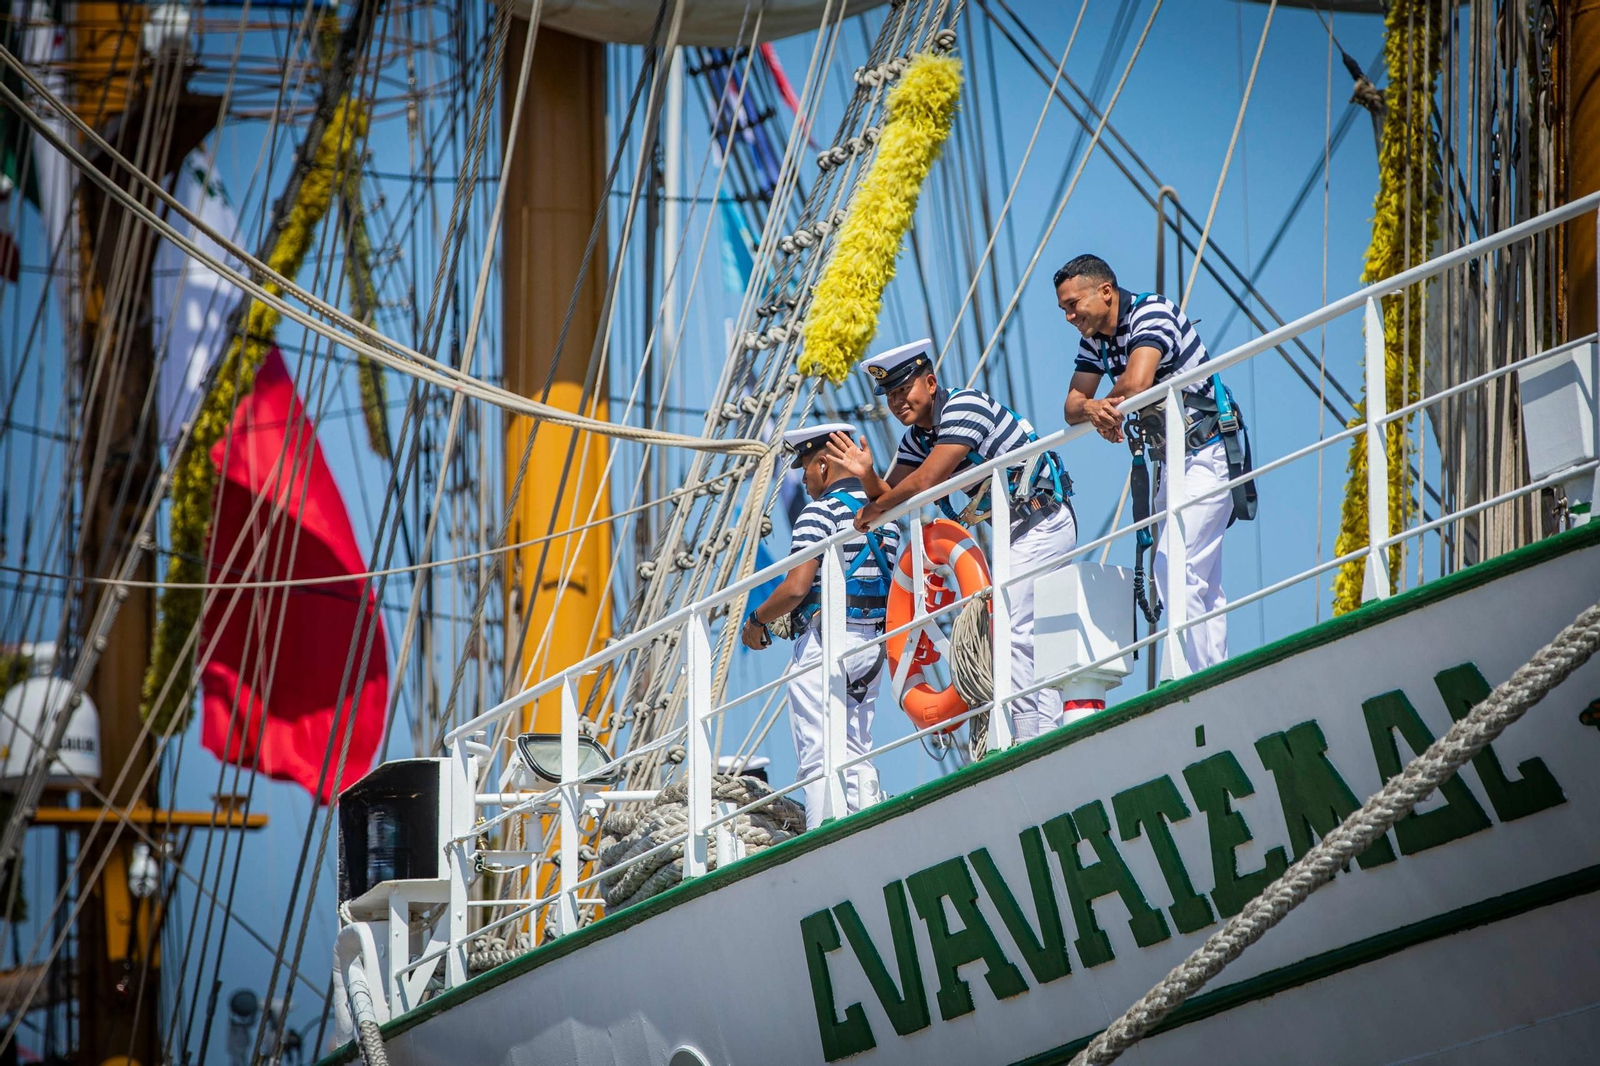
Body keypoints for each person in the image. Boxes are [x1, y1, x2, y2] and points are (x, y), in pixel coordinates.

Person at [823, 339, 1077, 741]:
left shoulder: (964, 407)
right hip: (1016, 533)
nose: (897, 401)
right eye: (890, 395)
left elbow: (925, 481)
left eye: (903, 389)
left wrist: (874, 507)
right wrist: (867, 476)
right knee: (1016, 630)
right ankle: (1038, 727)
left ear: (930, 382)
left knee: (1013, 630)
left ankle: (1036, 734)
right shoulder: (917, 438)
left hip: (1044, 520)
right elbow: (888, 497)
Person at [1055, 253, 1254, 674]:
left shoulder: (1153, 312)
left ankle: (1194, 677)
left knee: (1175, 565)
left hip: (1208, 451)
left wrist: (1103, 408)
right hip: (1172, 461)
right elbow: (1071, 406)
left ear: (1105, 292)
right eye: (1064, 309)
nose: (1070, 316)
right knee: (1201, 578)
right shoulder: (1094, 339)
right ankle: (1213, 671)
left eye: (1074, 304)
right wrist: (1094, 409)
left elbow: (1137, 381)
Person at [741, 422, 899, 829]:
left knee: (817, 749)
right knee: (856, 745)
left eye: (806, 469)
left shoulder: (820, 512)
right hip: (872, 646)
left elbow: (795, 588)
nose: (805, 480)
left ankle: (823, 832)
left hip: (826, 644)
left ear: (824, 465)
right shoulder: (888, 517)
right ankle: (863, 823)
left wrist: (756, 620)